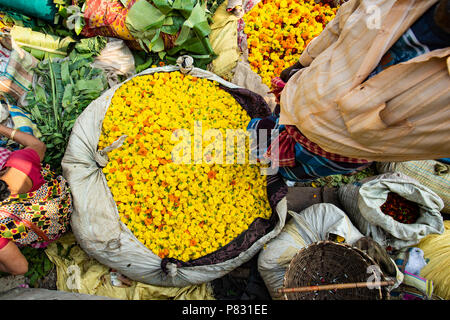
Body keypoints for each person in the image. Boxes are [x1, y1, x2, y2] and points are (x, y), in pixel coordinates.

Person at [250, 0, 450, 182]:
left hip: (337, 148)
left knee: (287, 171)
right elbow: (344, 19)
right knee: (257, 138)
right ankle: (250, 158)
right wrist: (303, 62)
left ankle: (277, 176)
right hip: (303, 95)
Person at [0, 124, 72, 275]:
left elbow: (20, 268)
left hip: (50, 231)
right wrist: (2, 129)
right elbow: (38, 145)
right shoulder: (19, 164)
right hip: (65, 198)